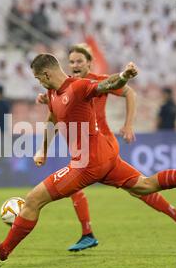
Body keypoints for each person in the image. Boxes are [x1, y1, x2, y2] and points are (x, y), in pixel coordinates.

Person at [0, 53, 176, 267]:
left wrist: (124, 76)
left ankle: (1, 252)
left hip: (88, 162)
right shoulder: (52, 94)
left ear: (47, 74)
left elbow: (106, 85)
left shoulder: (78, 87)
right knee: (146, 186)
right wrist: (43, 150)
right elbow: (51, 121)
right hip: (104, 156)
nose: (38, 82)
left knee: (32, 200)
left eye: (38, 78)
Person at [34, 44, 138, 251]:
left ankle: (88, 234)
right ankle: (87, 233)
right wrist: (50, 100)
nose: (74, 65)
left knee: (139, 187)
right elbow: (56, 114)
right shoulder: (65, 88)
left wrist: (128, 124)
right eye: (71, 61)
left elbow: (126, 90)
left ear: (89, 63)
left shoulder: (93, 83)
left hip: (101, 144)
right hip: (83, 148)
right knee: (141, 186)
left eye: (79, 61)